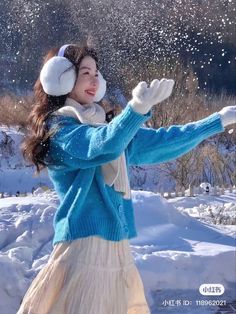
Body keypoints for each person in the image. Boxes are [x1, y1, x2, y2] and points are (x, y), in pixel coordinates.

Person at [18, 43, 236, 314]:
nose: (94, 79)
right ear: (60, 78)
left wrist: (217, 120)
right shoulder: (60, 130)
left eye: (97, 73)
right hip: (85, 249)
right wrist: (136, 109)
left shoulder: (104, 126)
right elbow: (101, 145)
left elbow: (161, 142)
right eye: (85, 72)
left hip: (116, 248)